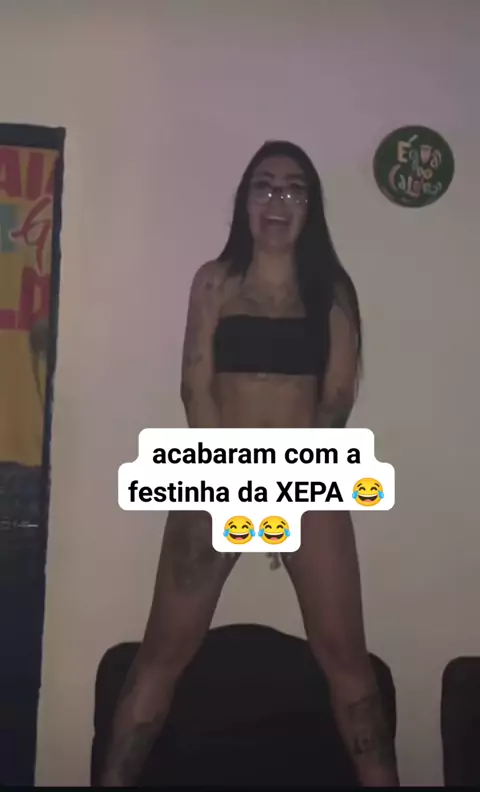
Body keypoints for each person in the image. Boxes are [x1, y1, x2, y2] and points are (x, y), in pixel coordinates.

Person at [100, 140, 399, 787]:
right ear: (245, 200)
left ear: (310, 207)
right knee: (161, 656)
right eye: (264, 186)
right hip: (217, 476)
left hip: (307, 481)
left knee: (347, 661)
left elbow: (336, 399)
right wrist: (234, 479)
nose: (277, 200)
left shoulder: (331, 291)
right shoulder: (213, 281)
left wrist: (284, 488)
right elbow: (195, 388)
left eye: (293, 188)